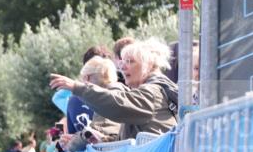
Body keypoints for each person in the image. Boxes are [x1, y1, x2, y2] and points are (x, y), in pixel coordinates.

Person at [50, 38, 178, 140]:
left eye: (130, 61)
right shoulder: (153, 92)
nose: (122, 67)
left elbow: (117, 104)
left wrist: (77, 87)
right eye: (122, 61)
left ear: (148, 65)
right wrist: (104, 140)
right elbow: (134, 136)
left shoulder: (152, 93)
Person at [60, 57, 126, 152]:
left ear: (87, 78)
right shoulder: (127, 95)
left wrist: (71, 144)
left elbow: (93, 135)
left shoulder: (100, 102)